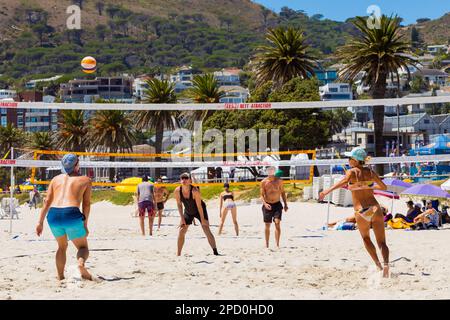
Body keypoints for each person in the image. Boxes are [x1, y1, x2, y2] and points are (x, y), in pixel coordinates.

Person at [319, 146, 390, 278]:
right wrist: (367, 185)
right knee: (382, 242)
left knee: (366, 238)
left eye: (349, 158)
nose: (348, 160)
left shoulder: (351, 172)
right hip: (375, 208)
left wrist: (326, 192)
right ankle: (386, 265)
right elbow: (384, 187)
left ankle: (378, 265)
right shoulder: (370, 171)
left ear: (356, 160)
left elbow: (342, 183)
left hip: (362, 210)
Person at [35, 154, 92, 281]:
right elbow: (86, 204)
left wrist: (40, 222)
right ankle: (80, 264)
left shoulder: (55, 179)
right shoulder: (85, 180)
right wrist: (85, 224)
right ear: (77, 164)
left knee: (61, 247)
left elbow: (47, 202)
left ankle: (60, 277)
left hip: (53, 215)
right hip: (71, 213)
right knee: (83, 248)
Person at [174, 172, 219, 256]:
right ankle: (178, 254)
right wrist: (182, 219)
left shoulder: (195, 191)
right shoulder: (177, 191)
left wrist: (202, 219)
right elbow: (179, 205)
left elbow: (199, 206)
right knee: (182, 231)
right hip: (188, 210)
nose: (184, 180)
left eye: (186, 178)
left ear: (190, 180)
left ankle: (215, 251)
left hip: (200, 210)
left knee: (205, 228)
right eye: (182, 178)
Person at [260, 167, 288, 248]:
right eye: (269, 171)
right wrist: (265, 204)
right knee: (267, 225)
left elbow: (282, 193)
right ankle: (267, 244)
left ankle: (277, 244)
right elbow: (261, 195)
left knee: (277, 223)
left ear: (274, 172)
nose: (270, 173)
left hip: (277, 204)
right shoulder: (263, 182)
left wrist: (285, 204)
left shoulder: (279, 181)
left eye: (272, 171)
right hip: (267, 205)